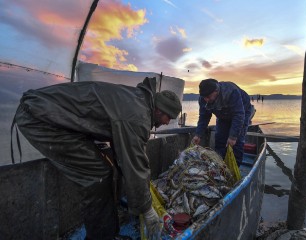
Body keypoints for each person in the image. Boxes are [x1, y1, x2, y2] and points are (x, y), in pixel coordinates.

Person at [12, 77, 182, 240]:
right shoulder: (137, 117)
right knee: (97, 174)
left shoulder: (138, 100)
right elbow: (135, 164)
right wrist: (147, 210)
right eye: (169, 117)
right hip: (39, 118)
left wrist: (138, 193)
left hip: (54, 115)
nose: (168, 123)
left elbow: (123, 155)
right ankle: (101, 237)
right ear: (159, 110)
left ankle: (107, 231)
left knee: (106, 168)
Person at [192, 79, 251, 166]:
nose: (206, 99)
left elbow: (238, 115)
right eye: (204, 97)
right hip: (223, 115)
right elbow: (204, 117)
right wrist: (198, 134)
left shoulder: (231, 92)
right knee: (220, 139)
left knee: (236, 142)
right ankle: (220, 166)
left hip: (242, 112)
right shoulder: (203, 99)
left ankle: (235, 168)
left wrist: (233, 137)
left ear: (216, 91)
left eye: (208, 96)